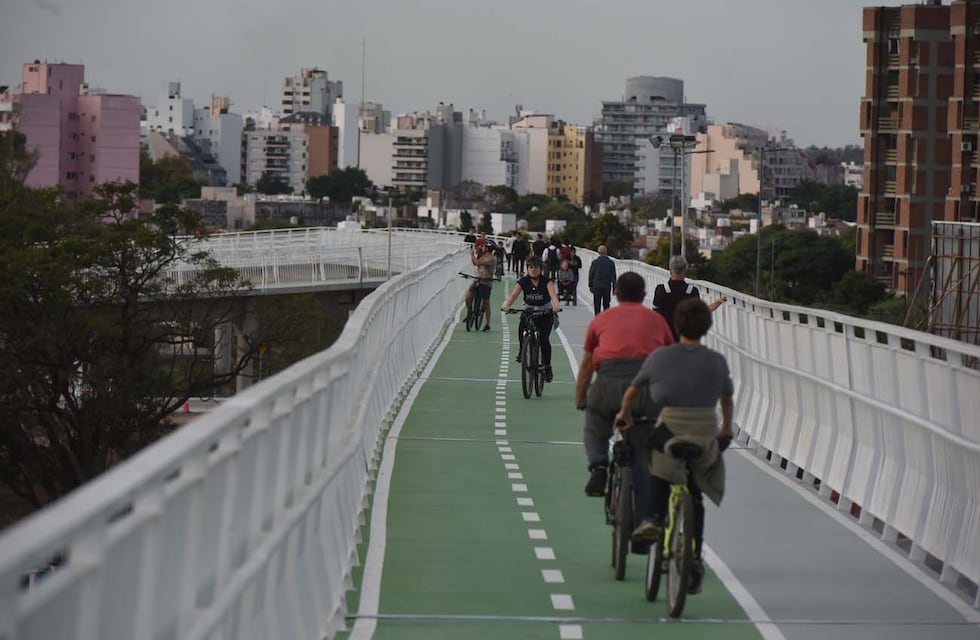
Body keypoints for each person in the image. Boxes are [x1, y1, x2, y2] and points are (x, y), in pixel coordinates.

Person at [615, 298, 735, 595]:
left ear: (676, 325)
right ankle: (694, 556)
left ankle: (653, 518)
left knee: (659, 466)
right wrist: (725, 428)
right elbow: (727, 399)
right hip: (704, 433)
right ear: (707, 327)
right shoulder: (717, 361)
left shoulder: (660, 357)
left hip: (671, 429)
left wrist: (624, 415)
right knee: (695, 494)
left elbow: (632, 393)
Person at [575, 272, 674, 540]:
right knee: (643, 454)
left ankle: (598, 467)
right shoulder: (658, 321)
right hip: (645, 389)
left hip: (608, 383)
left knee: (595, 424)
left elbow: (586, 365)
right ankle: (643, 523)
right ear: (644, 296)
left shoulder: (601, 319)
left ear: (615, 294)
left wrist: (581, 397)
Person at [501, 255, 561, 382]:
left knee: (544, 339)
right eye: (531, 267)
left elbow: (553, 295)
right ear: (527, 268)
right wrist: (507, 305)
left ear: (541, 268)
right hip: (529, 310)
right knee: (522, 326)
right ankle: (522, 350)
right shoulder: (523, 281)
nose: (533, 270)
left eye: (536, 267)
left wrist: (556, 306)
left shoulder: (547, 281)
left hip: (545, 312)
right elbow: (513, 296)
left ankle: (547, 367)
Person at [653, 255, 726, 341]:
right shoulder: (692, 291)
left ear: (670, 270)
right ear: (685, 270)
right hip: (686, 339)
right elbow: (700, 313)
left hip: (665, 338)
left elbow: (655, 314)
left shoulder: (661, 290)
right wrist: (717, 303)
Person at [464, 242, 497, 332]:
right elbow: (475, 263)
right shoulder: (484, 256)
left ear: (487, 248)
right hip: (477, 279)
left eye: (484, 246)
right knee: (467, 297)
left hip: (486, 282)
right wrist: (473, 255)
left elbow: (478, 263)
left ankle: (487, 324)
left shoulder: (491, 258)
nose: (482, 248)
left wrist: (472, 254)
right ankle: (470, 313)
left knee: (486, 303)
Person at [588, 245, 616, 315]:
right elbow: (613, 276)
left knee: (597, 303)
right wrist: (615, 288)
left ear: (598, 252)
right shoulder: (611, 262)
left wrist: (590, 285)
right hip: (606, 285)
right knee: (606, 303)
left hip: (597, 285)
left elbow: (591, 274)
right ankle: (606, 318)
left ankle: (597, 319)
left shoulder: (595, 262)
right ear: (606, 252)